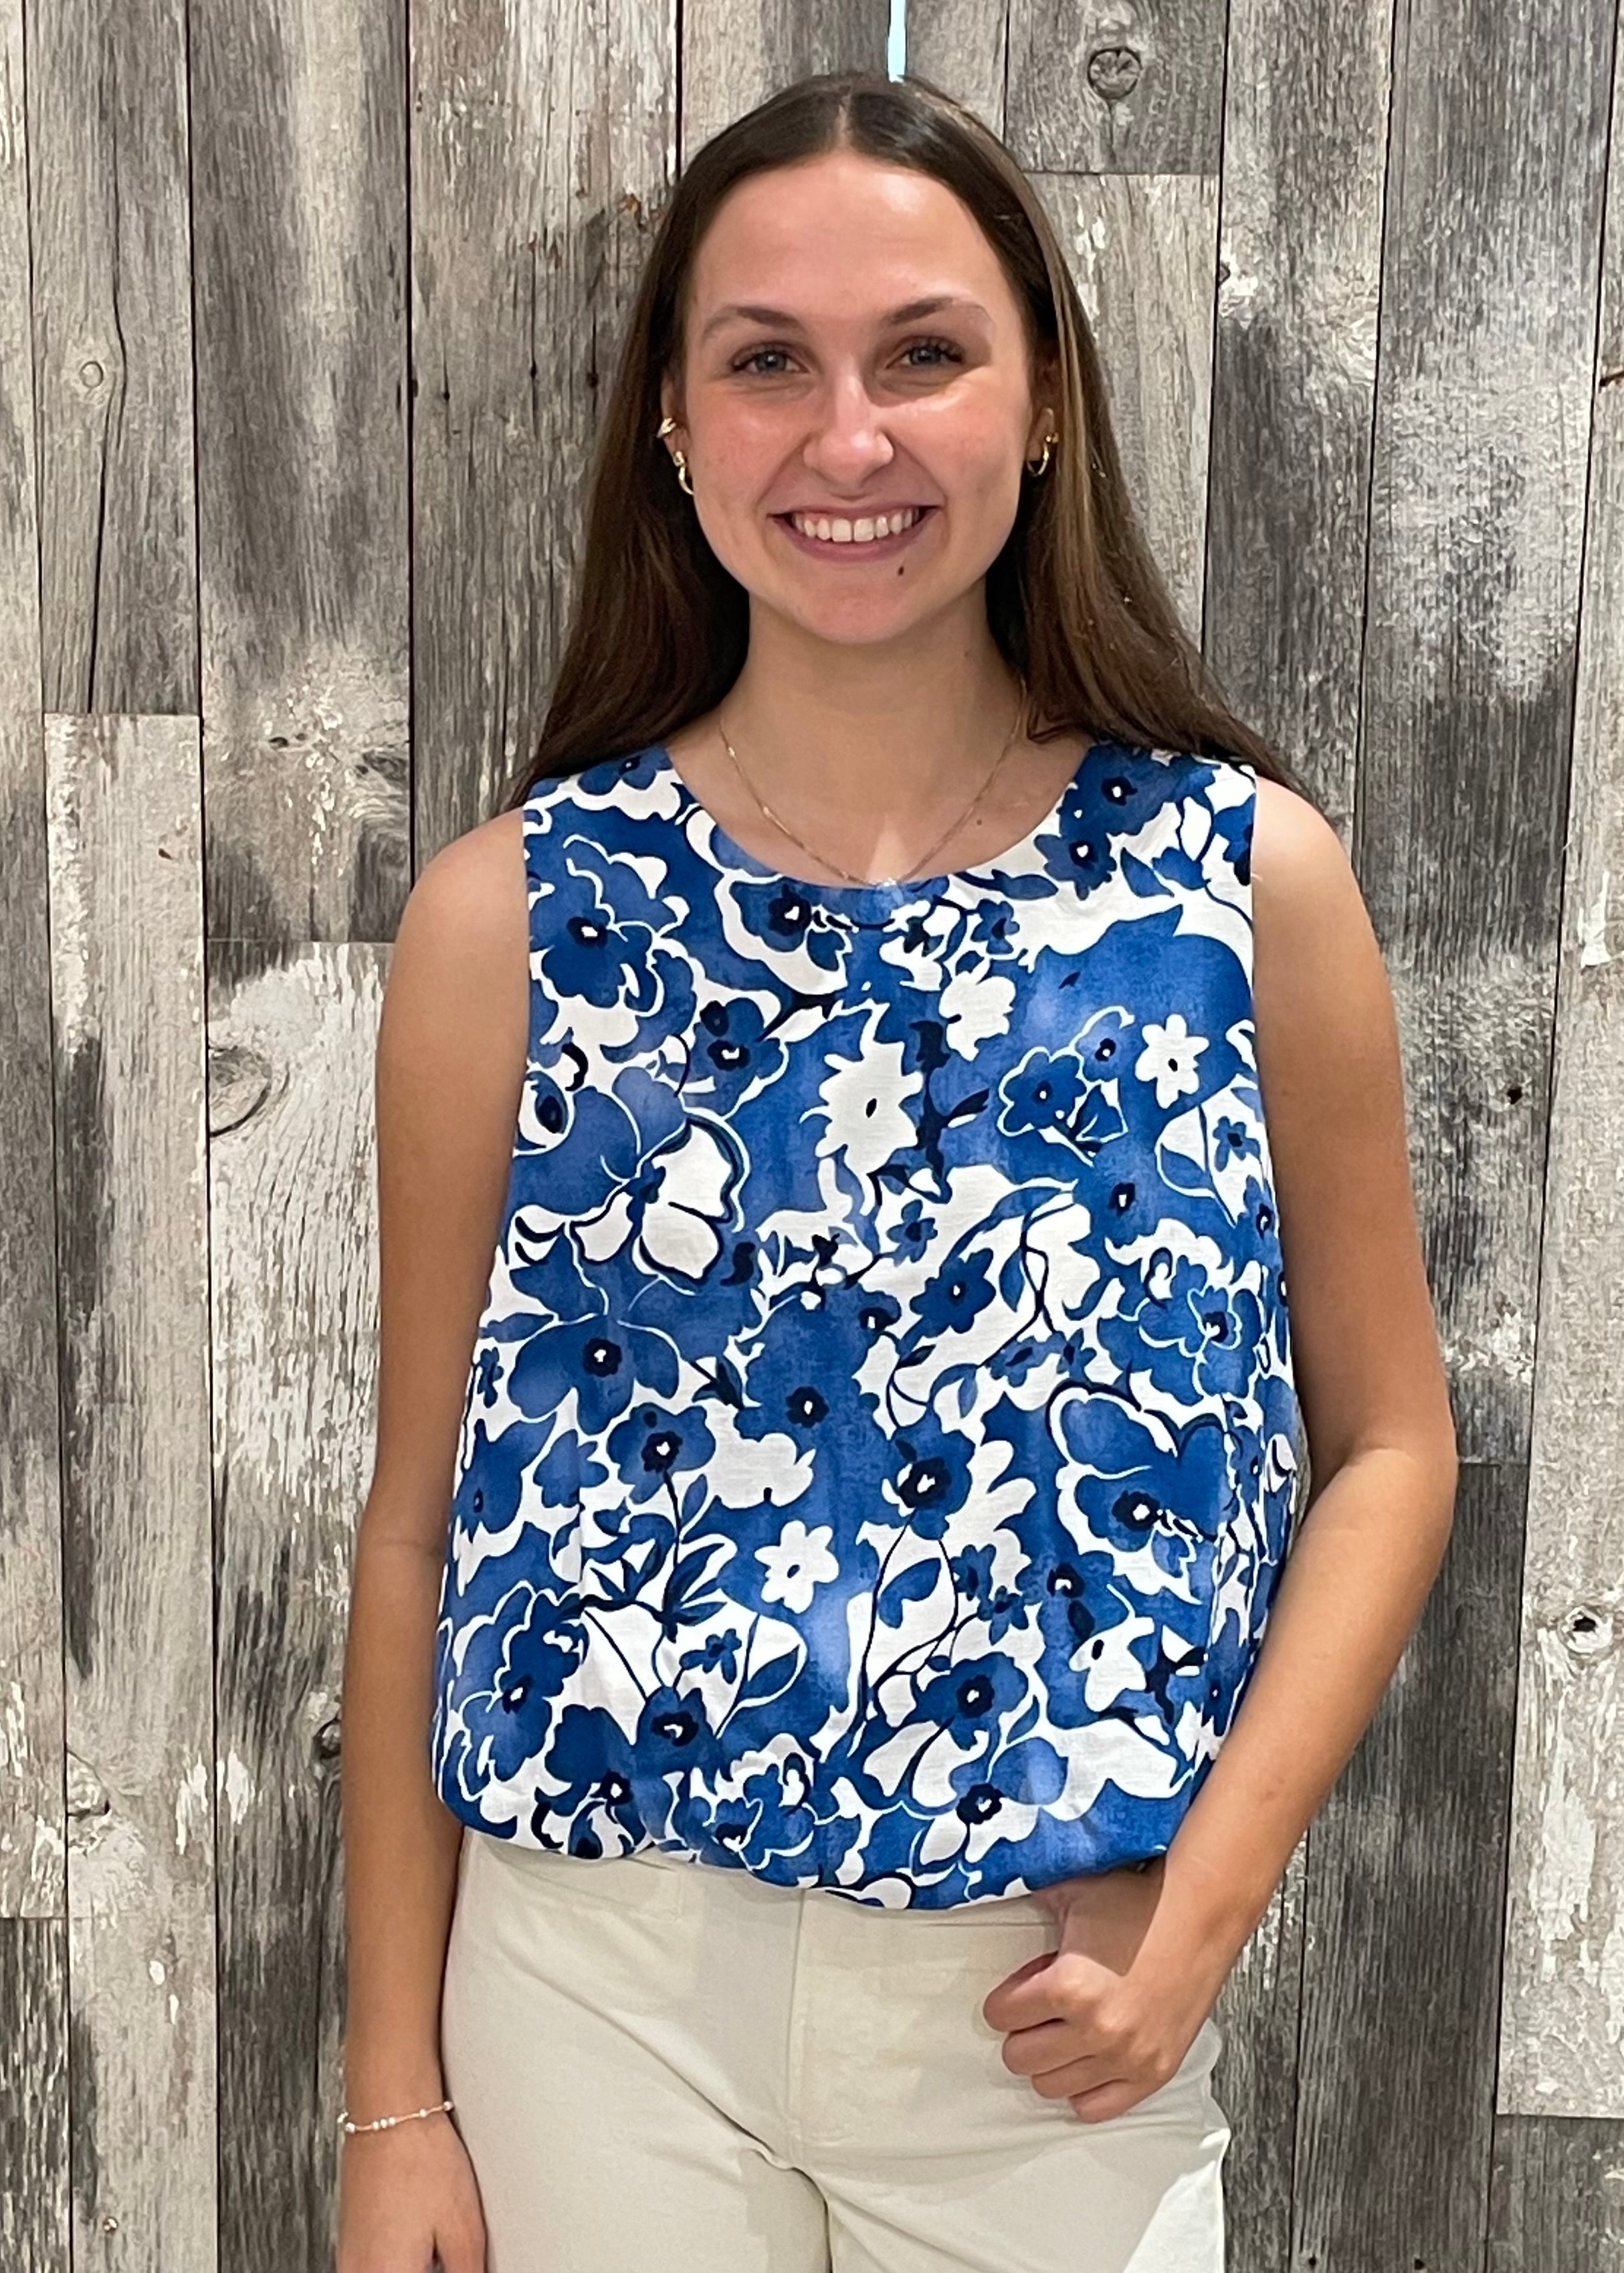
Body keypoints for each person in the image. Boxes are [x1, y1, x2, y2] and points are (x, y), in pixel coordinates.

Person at [334, 67, 1459, 2273]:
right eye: (767, 362)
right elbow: (412, 1527)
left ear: (1039, 410)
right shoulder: (512, 918)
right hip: (594, 2001)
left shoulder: (1240, 891)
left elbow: (1391, 1448)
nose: (844, 439)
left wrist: (1200, 1916)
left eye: (922, 354)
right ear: (673, 426)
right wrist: (398, 2103)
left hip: (1049, 2017)